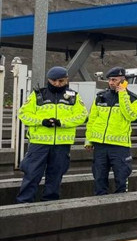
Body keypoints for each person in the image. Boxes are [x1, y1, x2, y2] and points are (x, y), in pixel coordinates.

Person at [15, 66, 88, 203]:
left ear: (66, 80)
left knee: (56, 175)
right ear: (48, 80)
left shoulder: (73, 97)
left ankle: (50, 203)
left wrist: (62, 122)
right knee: (32, 174)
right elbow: (23, 114)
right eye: (54, 81)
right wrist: (41, 121)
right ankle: (24, 202)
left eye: (61, 81)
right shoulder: (38, 95)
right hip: (39, 143)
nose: (57, 84)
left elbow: (82, 115)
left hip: (61, 144)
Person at [85, 66, 137, 195]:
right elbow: (91, 120)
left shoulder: (133, 99)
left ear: (123, 81)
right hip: (100, 145)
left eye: (114, 80)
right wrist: (89, 140)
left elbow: (131, 115)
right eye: (109, 80)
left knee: (121, 178)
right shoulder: (100, 97)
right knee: (99, 178)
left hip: (119, 147)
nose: (111, 83)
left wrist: (122, 94)